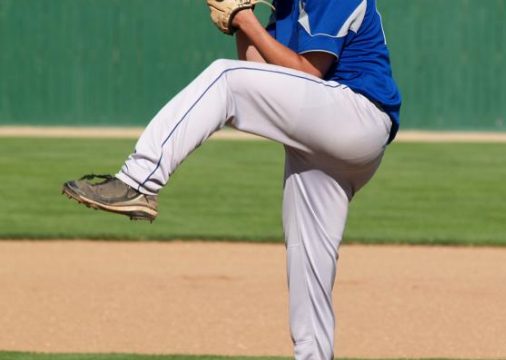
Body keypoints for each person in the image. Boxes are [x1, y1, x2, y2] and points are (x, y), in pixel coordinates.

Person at [63, 0, 401, 358]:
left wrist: (245, 19)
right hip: (324, 140)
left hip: (357, 115)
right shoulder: (285, 10)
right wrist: (239, 24)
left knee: (224, 77)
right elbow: (260, 75)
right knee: (308, 260)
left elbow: (307, 72)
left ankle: (139, 181)